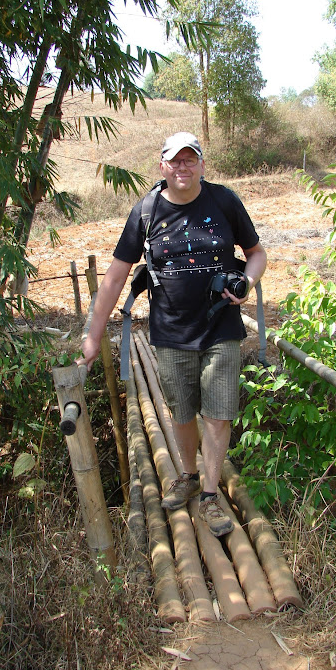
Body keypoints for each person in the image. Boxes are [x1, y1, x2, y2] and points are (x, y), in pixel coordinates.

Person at [78, 132, 267, 537]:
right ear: (161, 165)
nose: (183, 167)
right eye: (175, 161)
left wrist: (247, 283)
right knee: (181, 413)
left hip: (221, 328)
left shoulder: (225, 201)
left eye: (190, 160)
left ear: (201, 163)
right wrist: (93, 336)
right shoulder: (146, 210)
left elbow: (257, 254)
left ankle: (211, 495)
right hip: (170, 331)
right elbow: (114, 279)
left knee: (218, 414)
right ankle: (188, 473)